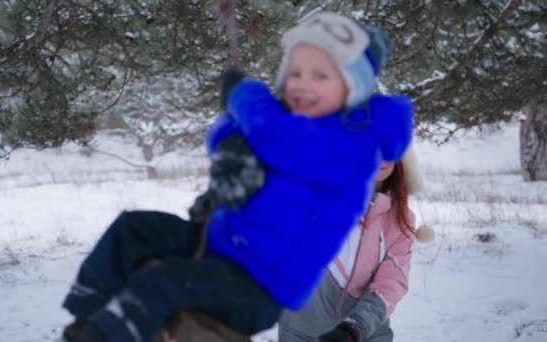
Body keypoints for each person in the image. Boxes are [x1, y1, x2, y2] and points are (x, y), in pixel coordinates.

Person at [59, 12, 414, 342]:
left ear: (352, 90)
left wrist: (242, 95)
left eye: (321, 75)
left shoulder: (355, 147)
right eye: (296, 72)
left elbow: (274, 136)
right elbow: (230, 130)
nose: (303, 84)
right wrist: (231, 143)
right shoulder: (288, 123)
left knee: (160, 283)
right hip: (223, 247)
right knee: (133, 229)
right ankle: (84, 320)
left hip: (259, 286)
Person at [279, 152, 433, 342]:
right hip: (302, 332)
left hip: (366, 335)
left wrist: (354, 328)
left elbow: (390, 284)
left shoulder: (401, 220)